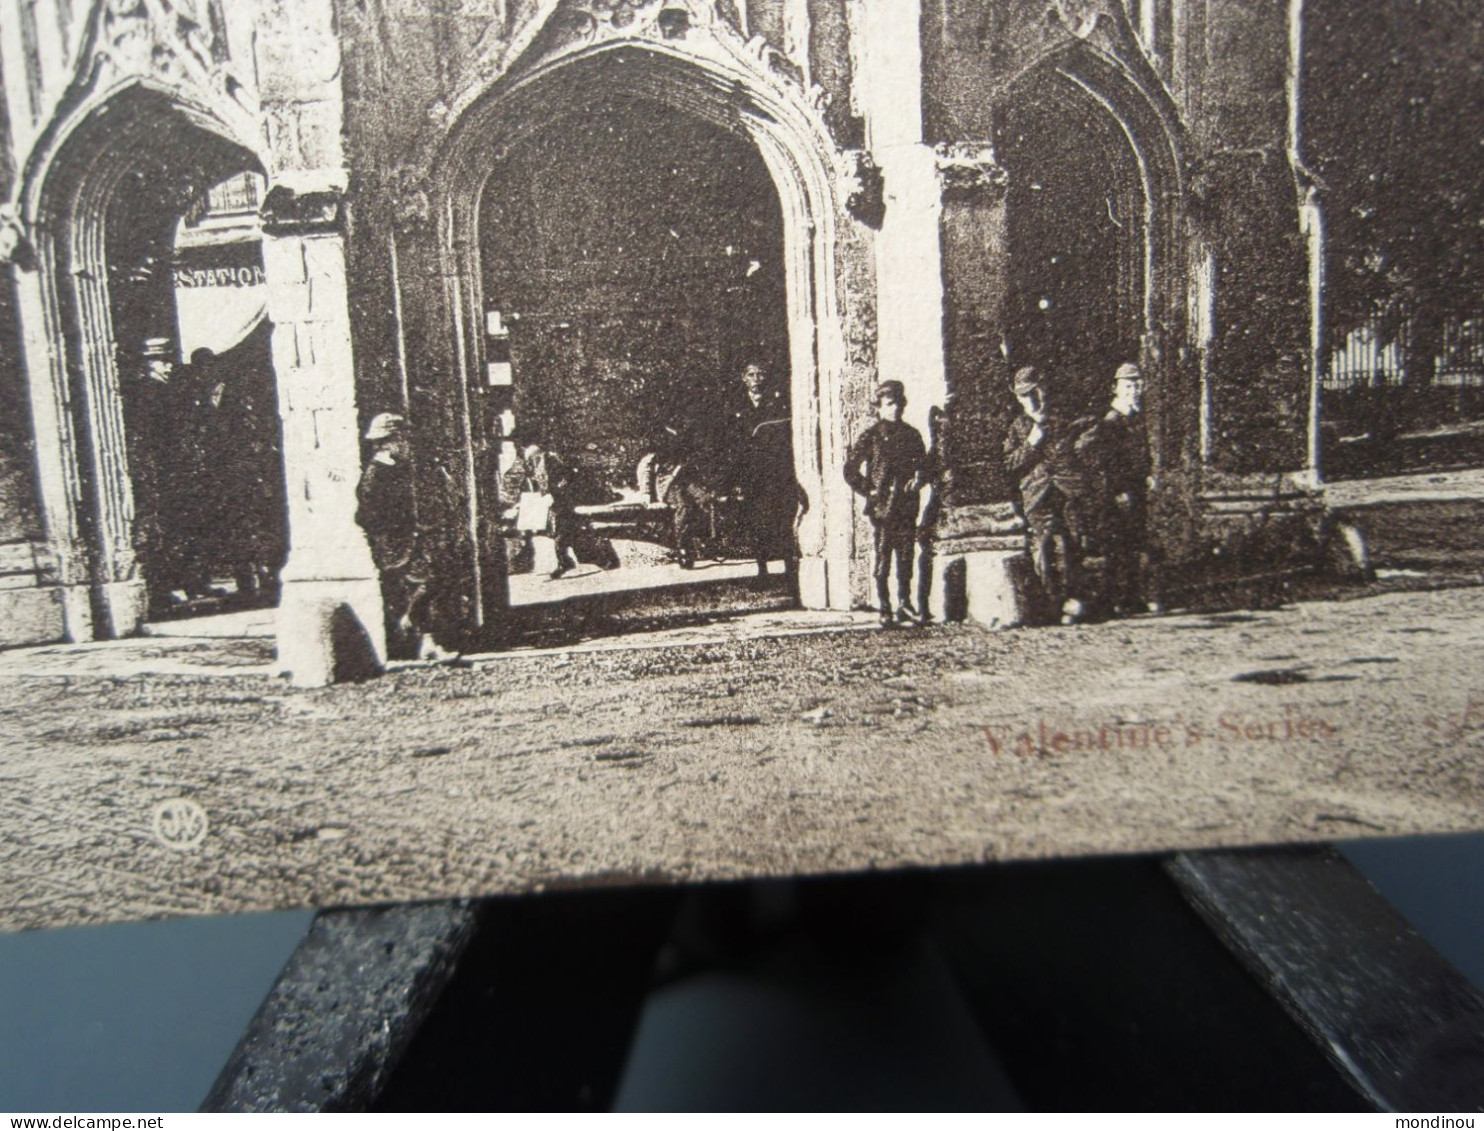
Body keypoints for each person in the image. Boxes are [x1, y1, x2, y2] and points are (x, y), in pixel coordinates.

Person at [1002, 366, 1093, 624]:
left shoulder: (1062, 421)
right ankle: (1052, 602)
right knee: (1044, 545)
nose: (1030, 400)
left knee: (1072, 542)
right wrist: (1032, 442)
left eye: (1034, 392)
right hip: (1038, 496)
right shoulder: (1018, 429)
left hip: (1067, 492)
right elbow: (1008, 465)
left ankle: (1072, 599)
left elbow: (1078, 453)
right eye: (1023, 396)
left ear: (1044, 390)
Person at [844, 380, 929, 628]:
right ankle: (885, 607)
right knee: (883, 560)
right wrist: (869, 490)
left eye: (899, 403)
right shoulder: (871, 436)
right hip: (882, 509)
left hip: (906, 505)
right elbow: (850, 469)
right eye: (890, 404)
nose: (896, 409)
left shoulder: (912, 434)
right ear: (879, 408)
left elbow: (923, 465)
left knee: (906, 557)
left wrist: (918, 479)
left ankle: (905, 603)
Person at [356, 412, 440, 659]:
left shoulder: (399, 467)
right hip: (392, 543)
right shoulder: (377, 470)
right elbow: (365, 512)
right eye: (402, 439)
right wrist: (389, 529)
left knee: (426, 583)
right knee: (405, 589)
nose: (406, 444)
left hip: (408, 539)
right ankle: (409, 638)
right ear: (390, 440)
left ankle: (419, 636)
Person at [1077, 361, 1156, 616]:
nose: (1133, 389)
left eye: (1136, 384)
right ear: (1116, 388)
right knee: (1117, 547)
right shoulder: (1110, 421)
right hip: (1117, 494)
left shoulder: (1136, 417)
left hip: (1136, 491)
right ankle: (1113, 599)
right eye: (1128, 385)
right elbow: (1093, 455)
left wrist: (1148, 474)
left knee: (1134, 544)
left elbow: (1140, 454)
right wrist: (1115, 489)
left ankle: (1130, 597)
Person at [731, 363, 800, 580]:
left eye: (760, 374)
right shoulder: (735, 406)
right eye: (751, 374)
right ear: (744, 378)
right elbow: (732, 444)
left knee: (782, 519)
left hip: (776, 470)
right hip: (752, 473)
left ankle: (789, 569)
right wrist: (737, 479)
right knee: (756, 522)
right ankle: (762, 571)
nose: (756, 379)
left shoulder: (778, 404)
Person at [501, 440, 581, 578]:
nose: (532, 462)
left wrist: (557, 492)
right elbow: (518, 478)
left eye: (534, 458)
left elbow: (569, 476)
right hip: (548, 501)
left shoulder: (551, 459)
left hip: (561, 500)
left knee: (559, 531)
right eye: (530, 460)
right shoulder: (529, 462)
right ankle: (565, 560)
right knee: (557, 531)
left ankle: (565, 562)